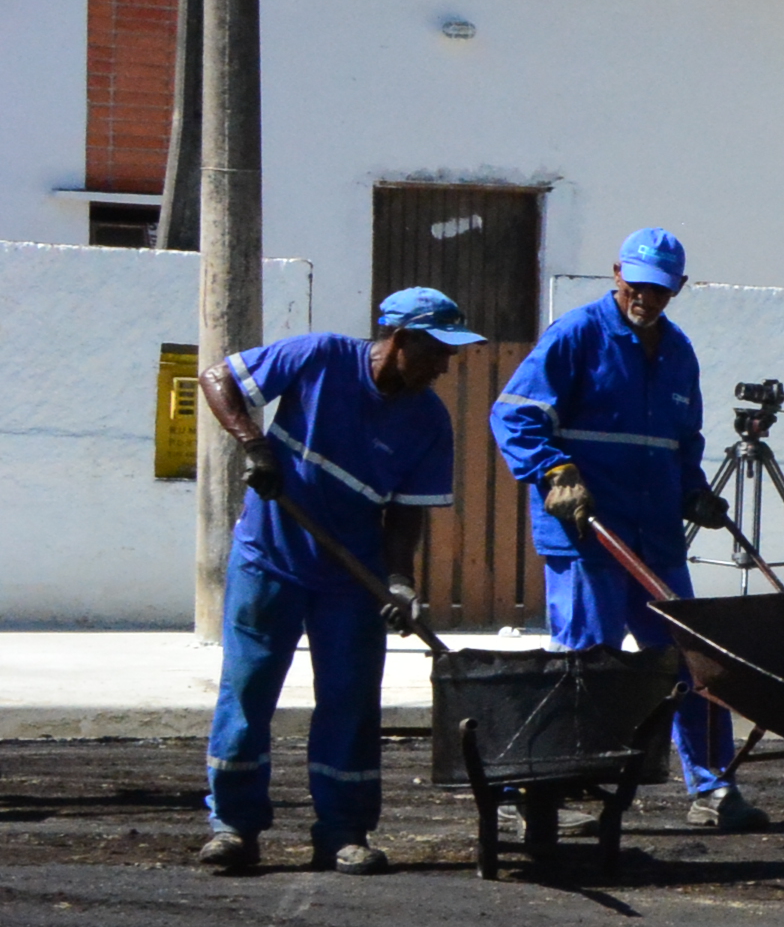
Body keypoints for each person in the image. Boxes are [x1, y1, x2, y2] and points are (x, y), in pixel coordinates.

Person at [189, 287, 481, 874]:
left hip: (352, 578)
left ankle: (343, 831)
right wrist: (255, 447)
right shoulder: (318, 357)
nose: (443, 366)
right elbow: (218, 378)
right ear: (398, 341)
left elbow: (405, 513)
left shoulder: (428, 420)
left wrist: (398, 582)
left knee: (350, 702)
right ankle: (234, 828)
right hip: (269, 559)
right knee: (247, 693)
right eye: (435, 351)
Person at [493, 229, 750, 827]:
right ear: (616, 274)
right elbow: (515, 416)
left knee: (693, 658)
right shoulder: (576, 336)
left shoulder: (679, 352)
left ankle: (711, 788)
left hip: (655, 537)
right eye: (637, 283)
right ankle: (562, 788)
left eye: (660, 289)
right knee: (589, 662)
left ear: (678, 288)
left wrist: (694, 491)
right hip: (590, 537)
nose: (646, 296)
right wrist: (555, 470)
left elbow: (683, 442)